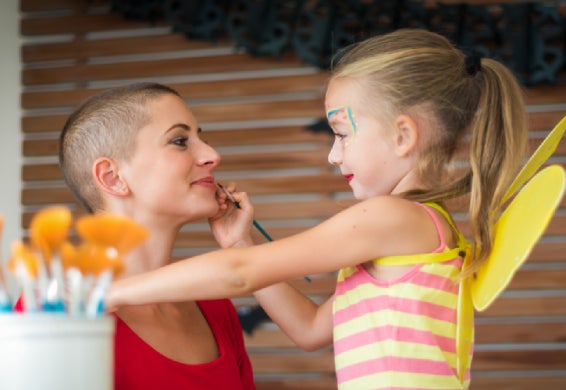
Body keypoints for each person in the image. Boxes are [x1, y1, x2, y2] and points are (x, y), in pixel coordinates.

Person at [106, 28, 529, 389]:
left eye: (342, 134)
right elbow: (309, 330)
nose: (333, 155)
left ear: (403, 135)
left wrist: (111, 293)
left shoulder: (391, 218)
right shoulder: (420, 232)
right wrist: (240, 241)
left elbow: (240, 274)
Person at [58, 82, 256, 389]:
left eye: (201, 138)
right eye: (180, 141)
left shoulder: (216, 308)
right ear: (112, 177)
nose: (212, 155)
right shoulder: (53, 311)